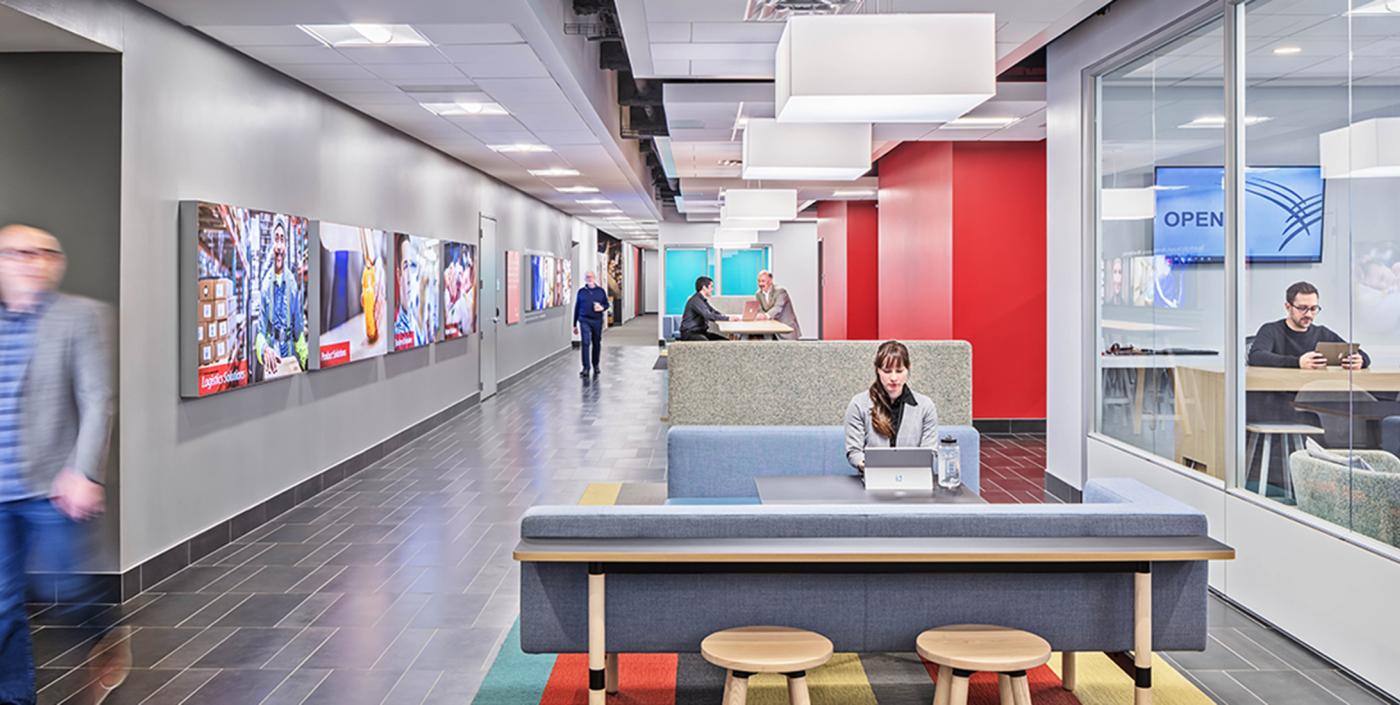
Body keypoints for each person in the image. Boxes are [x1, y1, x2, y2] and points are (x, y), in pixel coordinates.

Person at [0, 225, 123, 705]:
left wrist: (84, 471)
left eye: (42, 253)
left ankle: (103, 635)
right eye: (17, 253)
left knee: (72, 592)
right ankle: (15, 698)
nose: (31, 262)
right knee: (4, 606)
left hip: (53, 484)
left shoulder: (78, 317)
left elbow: (96, 399)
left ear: (56, 263)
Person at [845, 340, 940, 472]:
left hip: (913, 479)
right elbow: (854, 452)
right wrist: (866, 464)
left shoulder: (925, 406)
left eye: (899, 371)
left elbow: (929, 453)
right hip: (872, 478)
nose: (894, 378)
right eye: (887, 371)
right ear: (878, 370)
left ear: (908, 368)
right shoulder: (858, 404)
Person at [1249, 281, 1368, 370]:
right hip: (1277, 394)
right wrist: (1298, 363)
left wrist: (1360, 361)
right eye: (1302, 308)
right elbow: (1256, 356)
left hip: (1312, 394)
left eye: (1313, 308)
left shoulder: (1322, 333)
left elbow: (1362, 355)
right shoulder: (1271, 330)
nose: (1308, 314)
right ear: (1288, 307)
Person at [256, 216, 307, 376]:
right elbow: (260, 332)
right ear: (272, 245)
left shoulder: (292, 283)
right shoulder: (265, 286)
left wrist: (307, 361)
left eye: (282, 240)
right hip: (272, 361)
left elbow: (298, 332)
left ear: (285, 246)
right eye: (276, 240)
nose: (279, 246)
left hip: (290, 356)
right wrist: (264, 349)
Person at [679, 276, 739, 341]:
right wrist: (728, 319)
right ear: (704, 287)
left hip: (700, 332)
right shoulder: (696, 301)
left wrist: (725, 317)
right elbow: (709, 316)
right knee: (707, 344)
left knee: (725, 341)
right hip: (690, 333)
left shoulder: (702, 300)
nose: (712, 289)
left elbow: (713, 311)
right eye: (711, 287)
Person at [574, 270, 610, 376]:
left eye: (591, 277)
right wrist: (574, 324)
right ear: (585, 279)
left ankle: (596, 365)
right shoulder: (581, 292)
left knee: (596, 342)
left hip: (597, 320)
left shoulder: (601, 291)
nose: (589, 279)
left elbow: (607, 305)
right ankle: (586, 367)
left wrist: (601, 308)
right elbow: (577, 307)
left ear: (595, 278)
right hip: (584, 319)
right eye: (587, 277)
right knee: (585, 342)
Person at [755, 270, 801, 340]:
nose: (760, 283)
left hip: (786, 330)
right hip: (772, 331)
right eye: (759, 281)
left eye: (763, 281)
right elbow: (760, 309)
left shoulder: (780, 291)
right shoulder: (758, 294)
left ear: (770, 281)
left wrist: (765, 316)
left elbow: (778, 307)